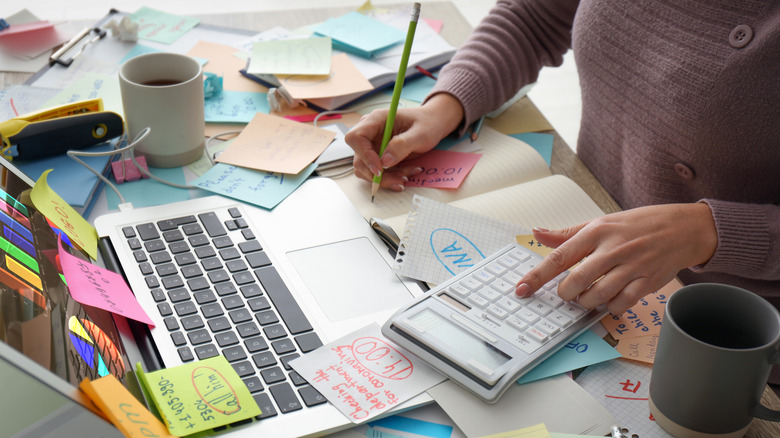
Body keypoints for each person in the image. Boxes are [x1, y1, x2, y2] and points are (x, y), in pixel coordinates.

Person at [345, 0, 780, 316]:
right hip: (589, 215)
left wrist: (707, 231)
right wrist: (444, 106)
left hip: (731, 324)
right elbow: (533, 17)